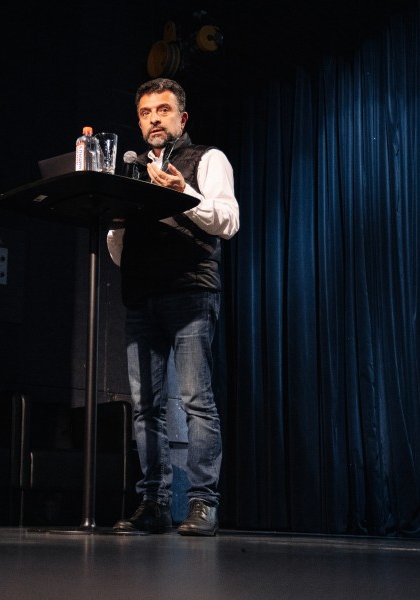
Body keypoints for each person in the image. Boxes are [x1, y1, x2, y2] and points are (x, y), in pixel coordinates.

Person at [107, 78, 240, 536]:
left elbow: (228, 221)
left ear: (181, 118)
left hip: (190, 293)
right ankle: (154, 503)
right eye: (146, 113)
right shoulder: (131, 173)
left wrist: (185, 194)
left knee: (196, 401)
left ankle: (203, 503)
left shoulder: (207, 158)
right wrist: (118, 220)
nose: (154, 119)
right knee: (145, 408)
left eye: (163, 110)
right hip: (142, 297)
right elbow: (119, 251)